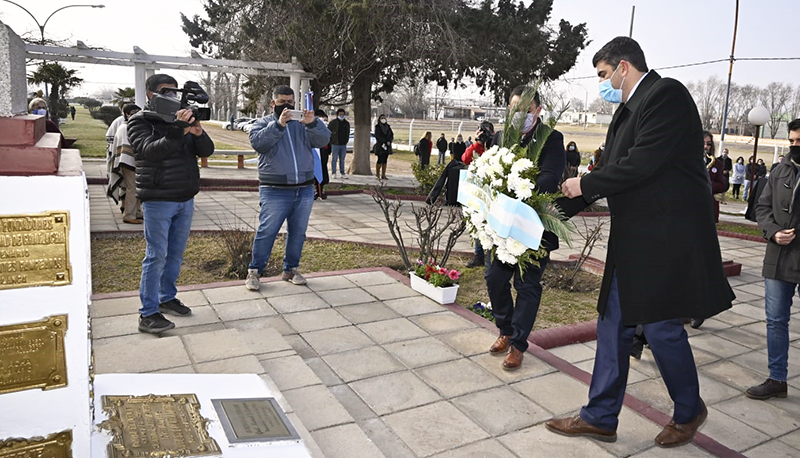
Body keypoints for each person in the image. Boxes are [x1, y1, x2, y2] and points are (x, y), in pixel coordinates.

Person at [546, 36, 733, 448]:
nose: (602, 84)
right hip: (634, 241)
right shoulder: (625, 114)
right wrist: (545, 217)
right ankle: (600, 416)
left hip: (666, 240)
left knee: (662, 327)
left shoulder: (666, 96)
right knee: (613, 324)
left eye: (603, 75)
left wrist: (585, 182)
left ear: (624, 67)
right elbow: (605, 177)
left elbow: (641, 164)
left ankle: (689, 410)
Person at [127, 74, 215, 333]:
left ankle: (166, 298)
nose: (173, 97)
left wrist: (197, 134)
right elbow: (149, 151)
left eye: (175, 92)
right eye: (167, 91)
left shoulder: (183, 118)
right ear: (151, 94)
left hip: (184, 197)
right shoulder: (139, 121)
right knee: (156, 256)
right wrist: (178, 129)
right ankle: (148, 313)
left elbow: (206, 151)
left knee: (175, 254)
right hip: (158, 198)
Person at [485, 87, 565, 371]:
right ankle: (505, 329)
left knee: (527, 285)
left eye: (526, 111)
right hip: (502, 226)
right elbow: (487, 170)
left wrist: (515, 188)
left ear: (538, 111)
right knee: (494, 277)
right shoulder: (499, 136)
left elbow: (550, 177)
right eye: (514, 109)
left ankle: (518, 345)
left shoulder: (552, 139)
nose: (519, 116)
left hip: (535, 226)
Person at [245, 85, 330, 291]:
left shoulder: (302, 124)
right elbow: (259, 143)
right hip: (274, 189)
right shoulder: (262, 123)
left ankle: (291, 269)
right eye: (282, 102)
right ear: (273, 103)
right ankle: (254, 272)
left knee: (298, 232)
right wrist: (279, 125)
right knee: (267, 231)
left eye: (290, 102)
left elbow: (324, 139)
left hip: (304, 188)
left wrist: (313, 124)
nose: (287, 106)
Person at [748, 118, 800, 401]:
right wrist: (773, 232)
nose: (795, 146)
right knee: (776, 321)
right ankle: (777, 378)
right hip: (778, 257)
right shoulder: (779, 170)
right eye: (791, 141)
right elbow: (762, 207)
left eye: (799, 141)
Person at [107, 103, 143, 224]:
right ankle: (129, 215)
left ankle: (137, 212)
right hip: (127, 162)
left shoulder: (130, 126)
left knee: (137, 188)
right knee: (132, 188)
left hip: (132, 162)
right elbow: (125, 148)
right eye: (134, 113)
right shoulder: (124, 128)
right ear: (126, 114)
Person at [704, 131, 726, 224]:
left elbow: (721, 185)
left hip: (707, 207)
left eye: (708, 144)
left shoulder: (717, 164)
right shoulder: (685, 161)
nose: (705, 147)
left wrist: (706, 184)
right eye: (702, 143)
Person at [327, 108, 349, 179]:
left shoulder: (346, 123)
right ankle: (334, 172)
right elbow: (328, 132)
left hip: (343, 144)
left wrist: (346, 141)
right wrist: (331, 141)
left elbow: (347, 133)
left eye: (342, 114)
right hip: (335, 144)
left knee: (342, 159)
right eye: (340, 114)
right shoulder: (333, 123)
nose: (341, 116)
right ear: (337, 115)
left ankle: (342, 173)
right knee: (334, 159)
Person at [314, 110, 330, 199]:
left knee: (323, 169)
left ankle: (321, 190)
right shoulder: (312, 126)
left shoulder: (325, 127)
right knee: (315, 170)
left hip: (324, 151)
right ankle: (316, 190)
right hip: (315, 151)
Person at [374, 114, 394, 180]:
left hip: (387, 146)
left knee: (385, 160)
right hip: (380, 146)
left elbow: (391, 135)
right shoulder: (377, 127)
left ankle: (383, 174)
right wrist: (383, 142)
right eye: (382, 118)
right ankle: (377, 175)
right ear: (379, 119)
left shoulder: (388, 127)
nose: (383, 119)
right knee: (380, 159)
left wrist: (389, 141)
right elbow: (378, 136)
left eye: (384, 118)